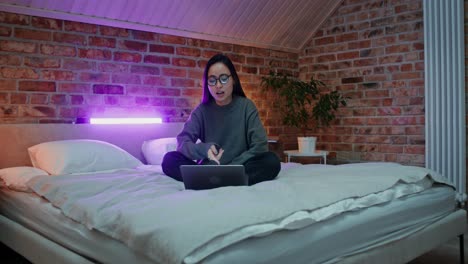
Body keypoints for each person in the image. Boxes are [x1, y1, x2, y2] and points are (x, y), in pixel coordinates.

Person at [161, 53, 281, 185]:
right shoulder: (202, 111)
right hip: (208, 169)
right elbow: (182, 142)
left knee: (271, 161)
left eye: (223, 78)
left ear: (233, 79)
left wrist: (230, 167)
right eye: (212, 80)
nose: (218, 85)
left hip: (239, 168)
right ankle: (222, 179)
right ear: (207, 84)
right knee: (169, 159)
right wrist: (204, 150)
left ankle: (215, 180)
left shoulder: (246, 106)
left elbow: (260, 146)